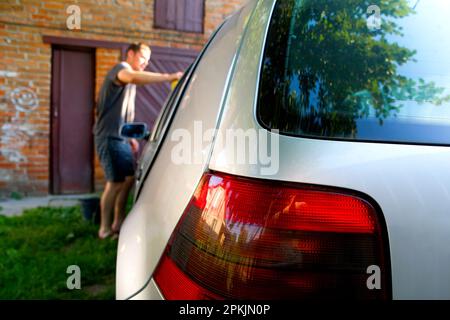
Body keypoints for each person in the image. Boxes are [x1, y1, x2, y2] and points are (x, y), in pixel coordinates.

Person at [94, 42, 182, 239]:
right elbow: (132, 76)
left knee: (128, 180)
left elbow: (126, 112)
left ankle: (119, 222)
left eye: (148, 60)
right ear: (131, 54)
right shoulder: (122, 69)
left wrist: (131, 135)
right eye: (143, 58)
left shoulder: (130, 82)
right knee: (115, 183)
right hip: (108, 137)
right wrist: (169, 77)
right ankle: (104, 229)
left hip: (121, 138)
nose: (145, 63)